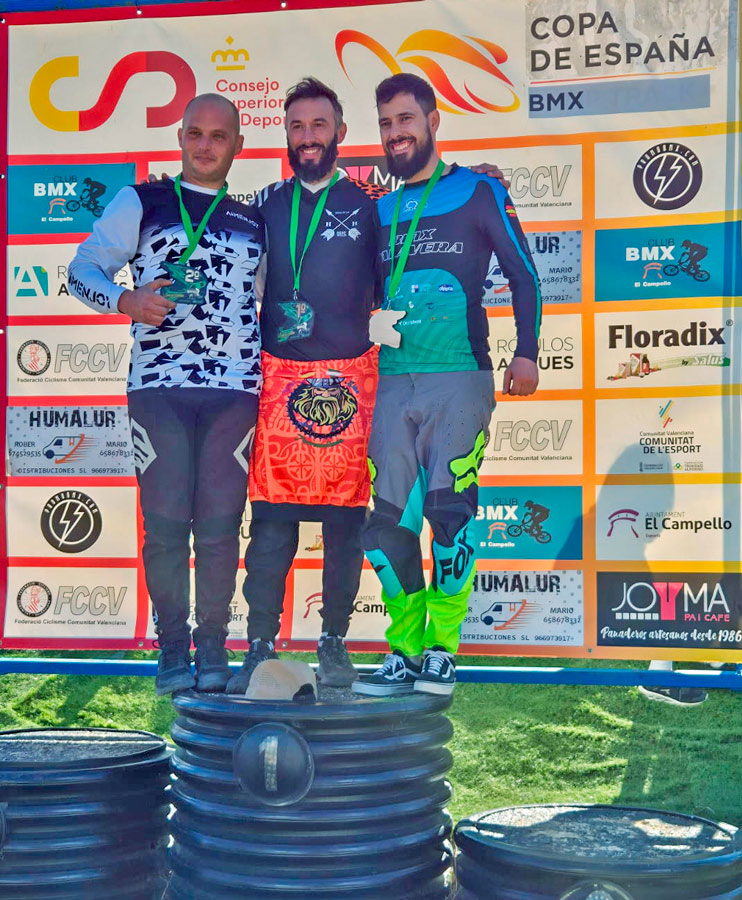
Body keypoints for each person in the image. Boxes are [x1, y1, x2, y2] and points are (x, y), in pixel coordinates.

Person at [68, 93, 264, 695]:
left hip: (235, 390)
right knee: (166, 524)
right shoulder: (142, 200)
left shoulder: (253, 218)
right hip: (158, 388)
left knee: (222, 525)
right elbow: (80, 271)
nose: (205, 146)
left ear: (238, 146)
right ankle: (173, 647)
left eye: (219, 136)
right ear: (179, 137)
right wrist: (125, 300)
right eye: (195, 133)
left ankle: (214, 646)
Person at [354, 73, 541, 697]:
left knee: (449, 513)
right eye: (386, 123)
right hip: (388, 383)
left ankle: (442, 649)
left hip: (459, 376)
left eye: (406, 119)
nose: (396, 133)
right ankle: (405, 649)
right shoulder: (376, 210)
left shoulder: (480, 189)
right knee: (386, 524)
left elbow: (523, 275)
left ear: (433, 121)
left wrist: (527, 352)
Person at [226, 78, 385, 691]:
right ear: (286, 135)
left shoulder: (370, 204)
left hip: (350, 381)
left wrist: (479, 175)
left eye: (319, 125)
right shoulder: (264, 203)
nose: (308, 137)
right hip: (279, 381)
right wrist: (162, 190)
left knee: (345, 525)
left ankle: (334, 640)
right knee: (270, 526)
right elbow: (209, 228)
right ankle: (259, 643)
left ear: (340, 132)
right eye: (297, 126)